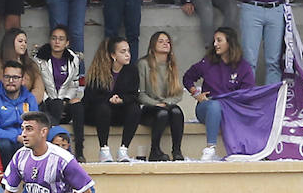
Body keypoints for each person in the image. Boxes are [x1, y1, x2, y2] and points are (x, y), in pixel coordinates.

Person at [182, 27, 254, 162]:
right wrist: (196, 93)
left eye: (219, 40)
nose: (215, 44)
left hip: (231, 110)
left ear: (230, 42)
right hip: (207, 108)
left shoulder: (244, 67)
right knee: (215, 105)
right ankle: (210, 148)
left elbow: (247, 94)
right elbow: (187, 77)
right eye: (214, 41)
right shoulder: (208, 62)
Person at [83, 37, 140, 164]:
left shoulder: (132, 70)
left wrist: (121, 99)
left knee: (135, 108)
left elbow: (134, 95)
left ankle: (123, 149)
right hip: (97, 113)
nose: (127, 55)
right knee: (103, 108)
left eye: (128, 51)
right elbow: (90, 97)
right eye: (123, 52)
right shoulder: (99, 70)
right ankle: (104, 149)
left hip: (119, 112)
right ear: (113, 55)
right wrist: (108, 99)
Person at [36, 26, 86, 161]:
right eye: (54, 38)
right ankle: (54, 149)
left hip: (64, 101)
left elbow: (74, 84)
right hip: (46, 104)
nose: (57, 42)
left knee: (78, 106)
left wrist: (66, 100)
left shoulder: (73, 59)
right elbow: (38, 85)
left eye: (61, 39)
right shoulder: (39, 59)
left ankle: (79, 151)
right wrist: (50, 100)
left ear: (67, 42)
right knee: (56, 103)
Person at [137, 30, 186, 162]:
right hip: (150, 108)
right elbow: (141, 94)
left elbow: (178, 93)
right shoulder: (143, 64)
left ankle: (177, 151)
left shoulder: (172, 65)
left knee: (177, 112)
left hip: (167, 105)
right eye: (161, 41)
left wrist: (166, 103)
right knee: (162, 113)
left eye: (168, 42)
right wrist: (157, 104)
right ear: (153, 45)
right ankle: (155, 151)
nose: (165, 44)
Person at [0, 59, 37, 162]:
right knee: (4, 145)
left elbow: (35, 125)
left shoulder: (29, 98)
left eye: (15, 77)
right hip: (1, 140)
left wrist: (25, 136)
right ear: (2, 78)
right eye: (7, 77)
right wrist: (16, 137)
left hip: (24, 138)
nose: (10, 81)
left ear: (23, 80)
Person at [0, 27, 45, 103]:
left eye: (25, 42)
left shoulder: (30, 65)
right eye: (20, 41)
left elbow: (39, 88)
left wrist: (27, 103)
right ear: (10, 42)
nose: (24, 44)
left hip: (23, 107)